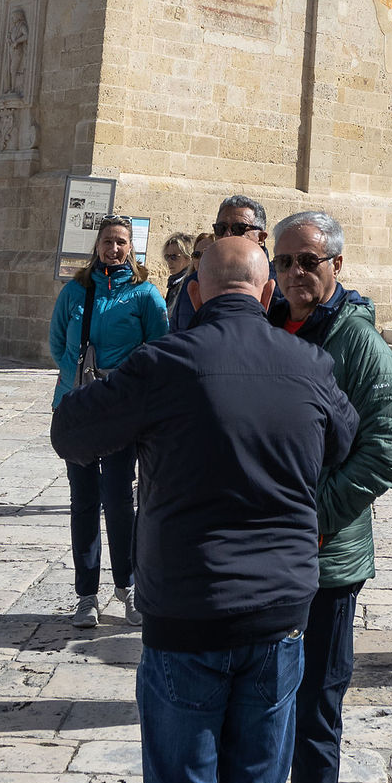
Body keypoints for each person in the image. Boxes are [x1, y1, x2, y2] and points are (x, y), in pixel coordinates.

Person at [53, 233, 358, 783]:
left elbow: (75, 432)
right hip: (276, 631)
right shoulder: (304, 361)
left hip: (186, 633)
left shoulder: (170, 358)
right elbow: (342, 438)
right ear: (266, 294)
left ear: (192, 290)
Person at [266, 207, 392, 783]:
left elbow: (387, 450)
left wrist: (312, 513)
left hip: (323, 563)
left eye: (309, 262)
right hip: (263, 564)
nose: (296, 274)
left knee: (314, 719)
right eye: (285, 261)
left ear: (337, 267)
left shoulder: (358, 344)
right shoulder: (268, 325)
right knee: (260, 713)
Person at [47, 216, 167, 626]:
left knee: (118, 499)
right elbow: (58, 341)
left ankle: (128, 587)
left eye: (121, 242)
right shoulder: (75, 291)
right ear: (96, 246)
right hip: (78, 406)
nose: (113, 249)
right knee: (83, 502)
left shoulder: (144, 294)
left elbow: (159, 347)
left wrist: (126, 384)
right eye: (107, 241)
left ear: (131, 247)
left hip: (121, 410)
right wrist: (78, 378)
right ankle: (86, 595)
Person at [167, 194, 278, 331]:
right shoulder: (194, 282)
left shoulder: (281, 284)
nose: (227, 235)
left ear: (261, 237)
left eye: (238, 229)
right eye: (221, 228)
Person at [160, 234, 195, 315]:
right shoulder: (175, 282)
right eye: (167, 257)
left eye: (174, 257)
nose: (169, 261)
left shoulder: (189, 284)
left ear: (189, 258)